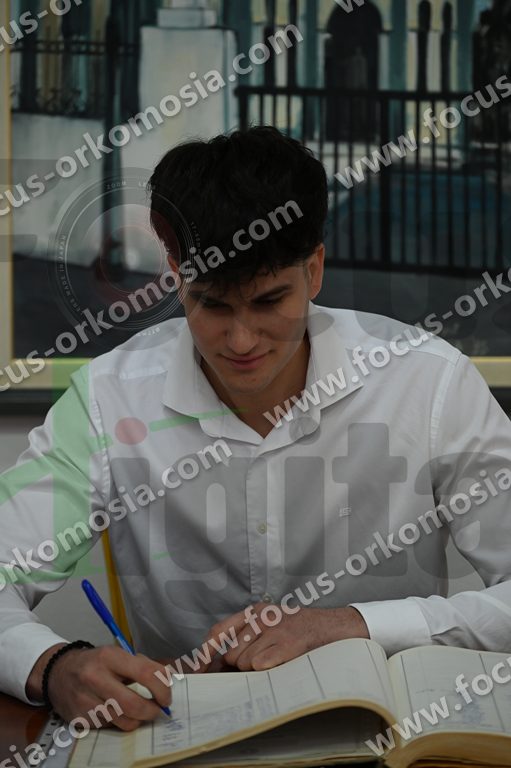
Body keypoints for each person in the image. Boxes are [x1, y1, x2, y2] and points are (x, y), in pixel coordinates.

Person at [1, 126, 510, 734]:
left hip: (390, 739)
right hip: (178, 741)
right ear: (175, 275)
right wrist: (52, 664)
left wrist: (353, 623)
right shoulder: (107, 400)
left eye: (269, 301)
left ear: (314, 270)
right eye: (212, 303)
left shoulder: (429, 383)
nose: (241, 341)